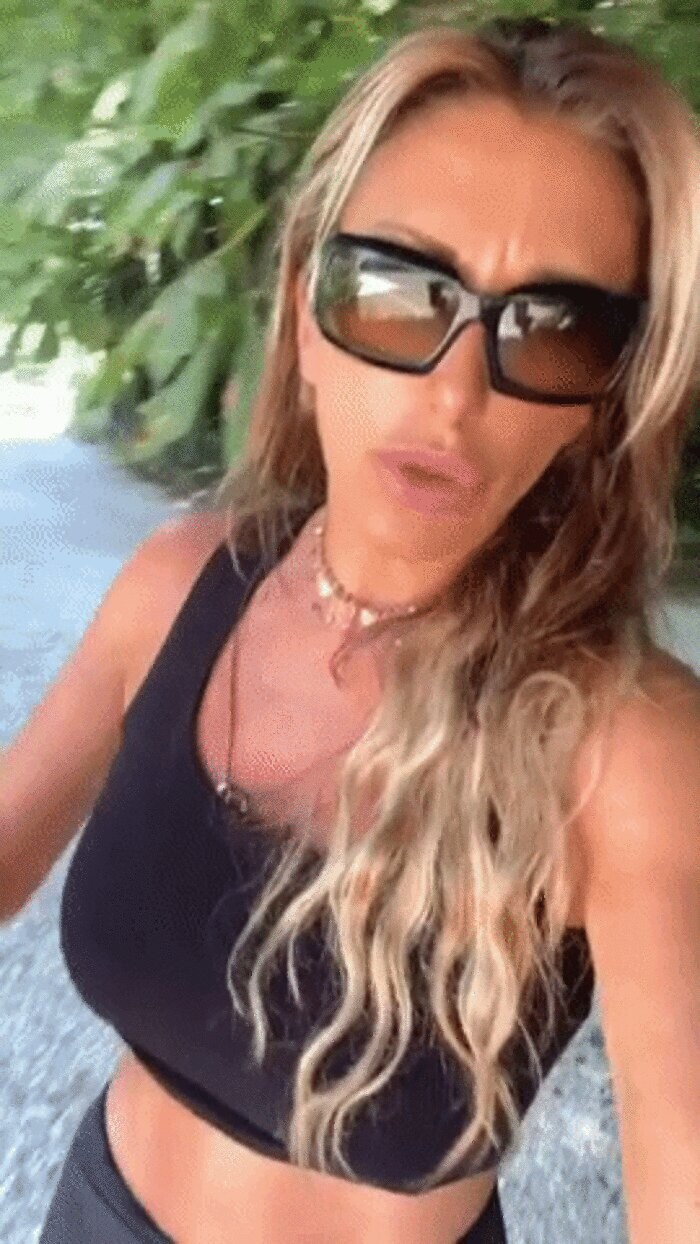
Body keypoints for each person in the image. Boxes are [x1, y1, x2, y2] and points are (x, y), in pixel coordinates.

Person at [2, 14, 699, 1244]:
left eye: (552, 330)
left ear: (599, 405)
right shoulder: (178, 587)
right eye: (394, 292)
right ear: (303, 314)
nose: (453, 393)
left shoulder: (623, 749)